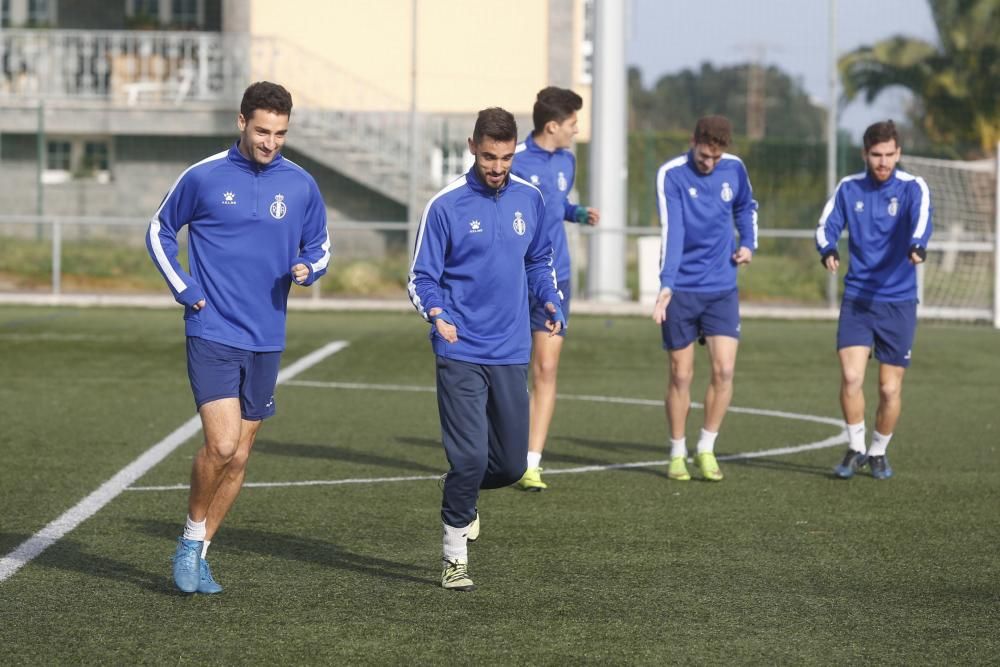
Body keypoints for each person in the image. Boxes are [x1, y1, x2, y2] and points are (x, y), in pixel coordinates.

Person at [146, 81, 331, 594]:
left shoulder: (301, 185)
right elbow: (159, 229)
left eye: (281, 133)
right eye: (262, 130)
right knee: (222, 443)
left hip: (268, 334)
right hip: (213, 326)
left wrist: (307, 268)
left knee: (242, 455)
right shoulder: (203, 177)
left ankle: (202, 551)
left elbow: (321, 247)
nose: (271, 142)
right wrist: (184, 287)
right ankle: (189, 538)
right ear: (241, 122)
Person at [407, 107, 564, 591]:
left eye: (506, 158)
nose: (497, 167)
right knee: (471, 459)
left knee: (513, 465)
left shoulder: (529, 199)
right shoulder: (446, 205)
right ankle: (455, 555)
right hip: (459, 349)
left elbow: (539, 260)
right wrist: (437, 314)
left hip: (511, 349)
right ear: (473, 146)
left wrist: (550, 298)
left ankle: (463, 495)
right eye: (489, 156)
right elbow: (420, 277)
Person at [816, 120, 933, 480]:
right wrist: (828, 248)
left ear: (898, 153)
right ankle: (855, 447)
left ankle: (878, 451)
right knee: (851, 377)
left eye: (889, 155)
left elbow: (923, 219)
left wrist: (917, 244)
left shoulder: (913, 187)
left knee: (888, 387)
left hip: (898, 302)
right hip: (858, 299)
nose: (883, 162)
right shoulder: (849, 188)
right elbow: (827, 223)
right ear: (865, 154)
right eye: (876, 155)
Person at [652, 115, 758, 482]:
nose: (709, 163)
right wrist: (666, 285)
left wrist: (748, 243)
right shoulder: (672, 174)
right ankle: (678, 451)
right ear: (693, 140)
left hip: (722, 288)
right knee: (681, 375)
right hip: (681, 288)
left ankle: (706, 447)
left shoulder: (735, 169)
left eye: (715, 158)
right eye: (703, 155)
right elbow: (673, 230)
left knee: (724, 369)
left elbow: (746, 207)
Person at [510, 86, 600, 492]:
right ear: (552, 126)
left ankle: (531, 463)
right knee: (507, 370)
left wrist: (577, 213)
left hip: (556, 277)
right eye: (572, 124)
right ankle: (500, 447)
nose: (576, 131)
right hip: (511, 277)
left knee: (545, 368)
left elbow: (556, 202)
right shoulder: (513, 160)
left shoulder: (567, 160)